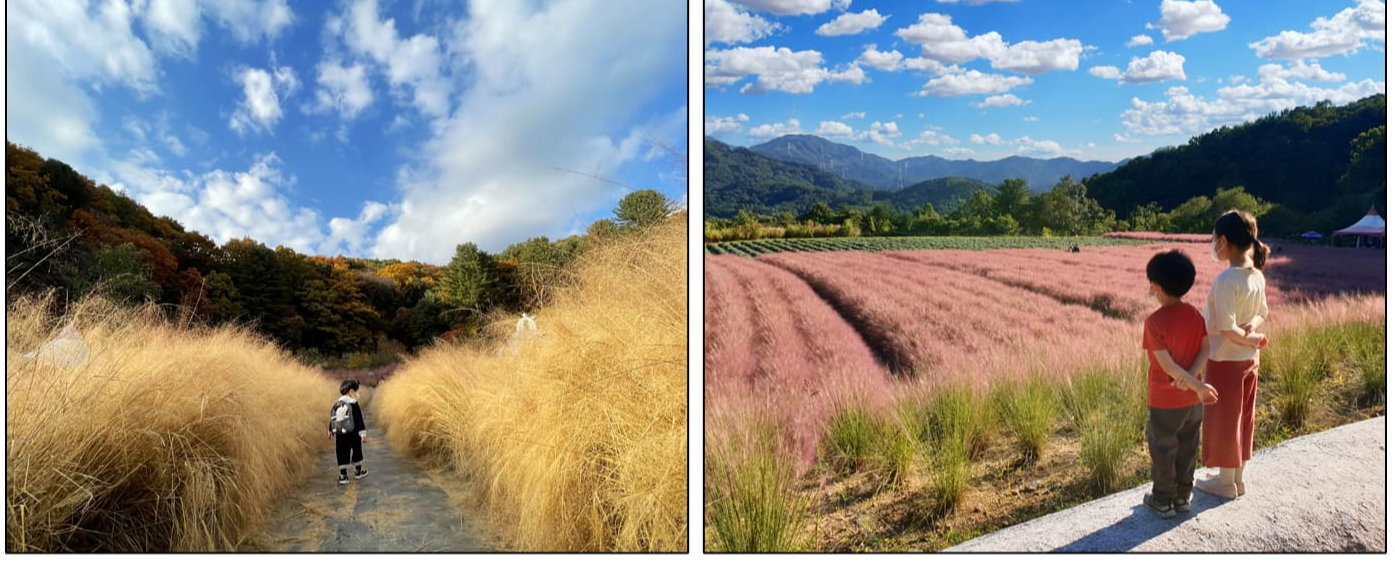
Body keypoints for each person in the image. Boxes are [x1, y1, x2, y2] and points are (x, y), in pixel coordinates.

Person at [1196, 210, 1270, 499]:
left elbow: (1226, 328)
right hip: (1249, 361)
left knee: (1225, 418)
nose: (1214, 244)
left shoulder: (1227, 280)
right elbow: (1262, 312)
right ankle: (1237, 478)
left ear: (1224, 241)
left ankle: (1225, 483)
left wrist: (1250, 336)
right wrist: (1253, 330)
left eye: (1215, 239)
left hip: (1225, 361)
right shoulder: (1257, 276)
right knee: (1244, 417)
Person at [1140, 249, 1219, 518]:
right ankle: (1183, 497)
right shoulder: (1195, 315)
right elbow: (1206, 348)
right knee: (1188, 446)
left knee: (1163, 448)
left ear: (1157, 287)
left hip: (1165, 400)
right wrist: (1195, 379)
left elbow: (1168, 367)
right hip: (1192, 401)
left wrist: (1191, 383)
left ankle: (1162, 500)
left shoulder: (1154, 323)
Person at [329, 380, 370, 485]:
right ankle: (358, 471)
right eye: (356, 391)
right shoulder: (354, 403)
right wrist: (363, 434)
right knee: (356, 450)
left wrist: (330, 431)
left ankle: (343, 475)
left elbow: (333, 419)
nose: (357, 394)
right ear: (351, 391)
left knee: (342, 452)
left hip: (340, 434)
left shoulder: (336, 404)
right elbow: (359, 420)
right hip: (354, 433)